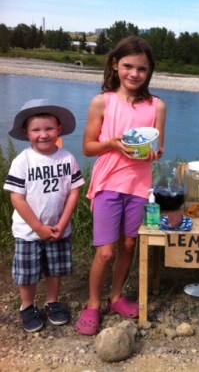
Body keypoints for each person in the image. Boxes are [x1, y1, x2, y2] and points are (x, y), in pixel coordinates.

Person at [76, 36, 166, 335]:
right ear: (115, 65)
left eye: (142, 69)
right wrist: (113, 144)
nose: (134, 74)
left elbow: (158, 148)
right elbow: (88, 147)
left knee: (129, 244)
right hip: (108, 183)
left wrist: (155, 153)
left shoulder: (157, 106)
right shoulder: (102, 101)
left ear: (149, 71)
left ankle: (115, 297)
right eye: (128, 66)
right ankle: (92, 304)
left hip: (140, 185)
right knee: (105, 252)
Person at [3, 99, 85, 332]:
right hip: (29, 232)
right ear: (26, 133)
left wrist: (62, 223)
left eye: (49, 128)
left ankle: (52, 302)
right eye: (36, 130)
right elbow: (17, 198)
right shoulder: (22, 161)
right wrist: (38, 227)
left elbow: (74, 192)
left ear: (59, 130)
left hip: (58, 229)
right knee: (28, 272)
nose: (43, 134)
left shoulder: (67, 159)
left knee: (54, 269)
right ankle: (27, 306)